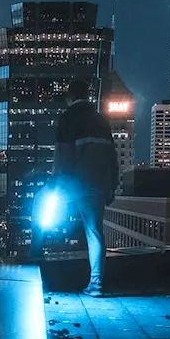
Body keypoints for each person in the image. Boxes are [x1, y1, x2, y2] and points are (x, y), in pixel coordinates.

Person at [53, 78, 119, 296]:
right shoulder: (101, 120)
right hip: (99, 184)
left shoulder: (68, 118)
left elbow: (62, 155)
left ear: (69, 98)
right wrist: (112, 186)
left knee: (42, 210)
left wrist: (55, 183)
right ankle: (96, 283)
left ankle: (36, 261)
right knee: (94, 232)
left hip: (75, 183)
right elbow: (112, 157)